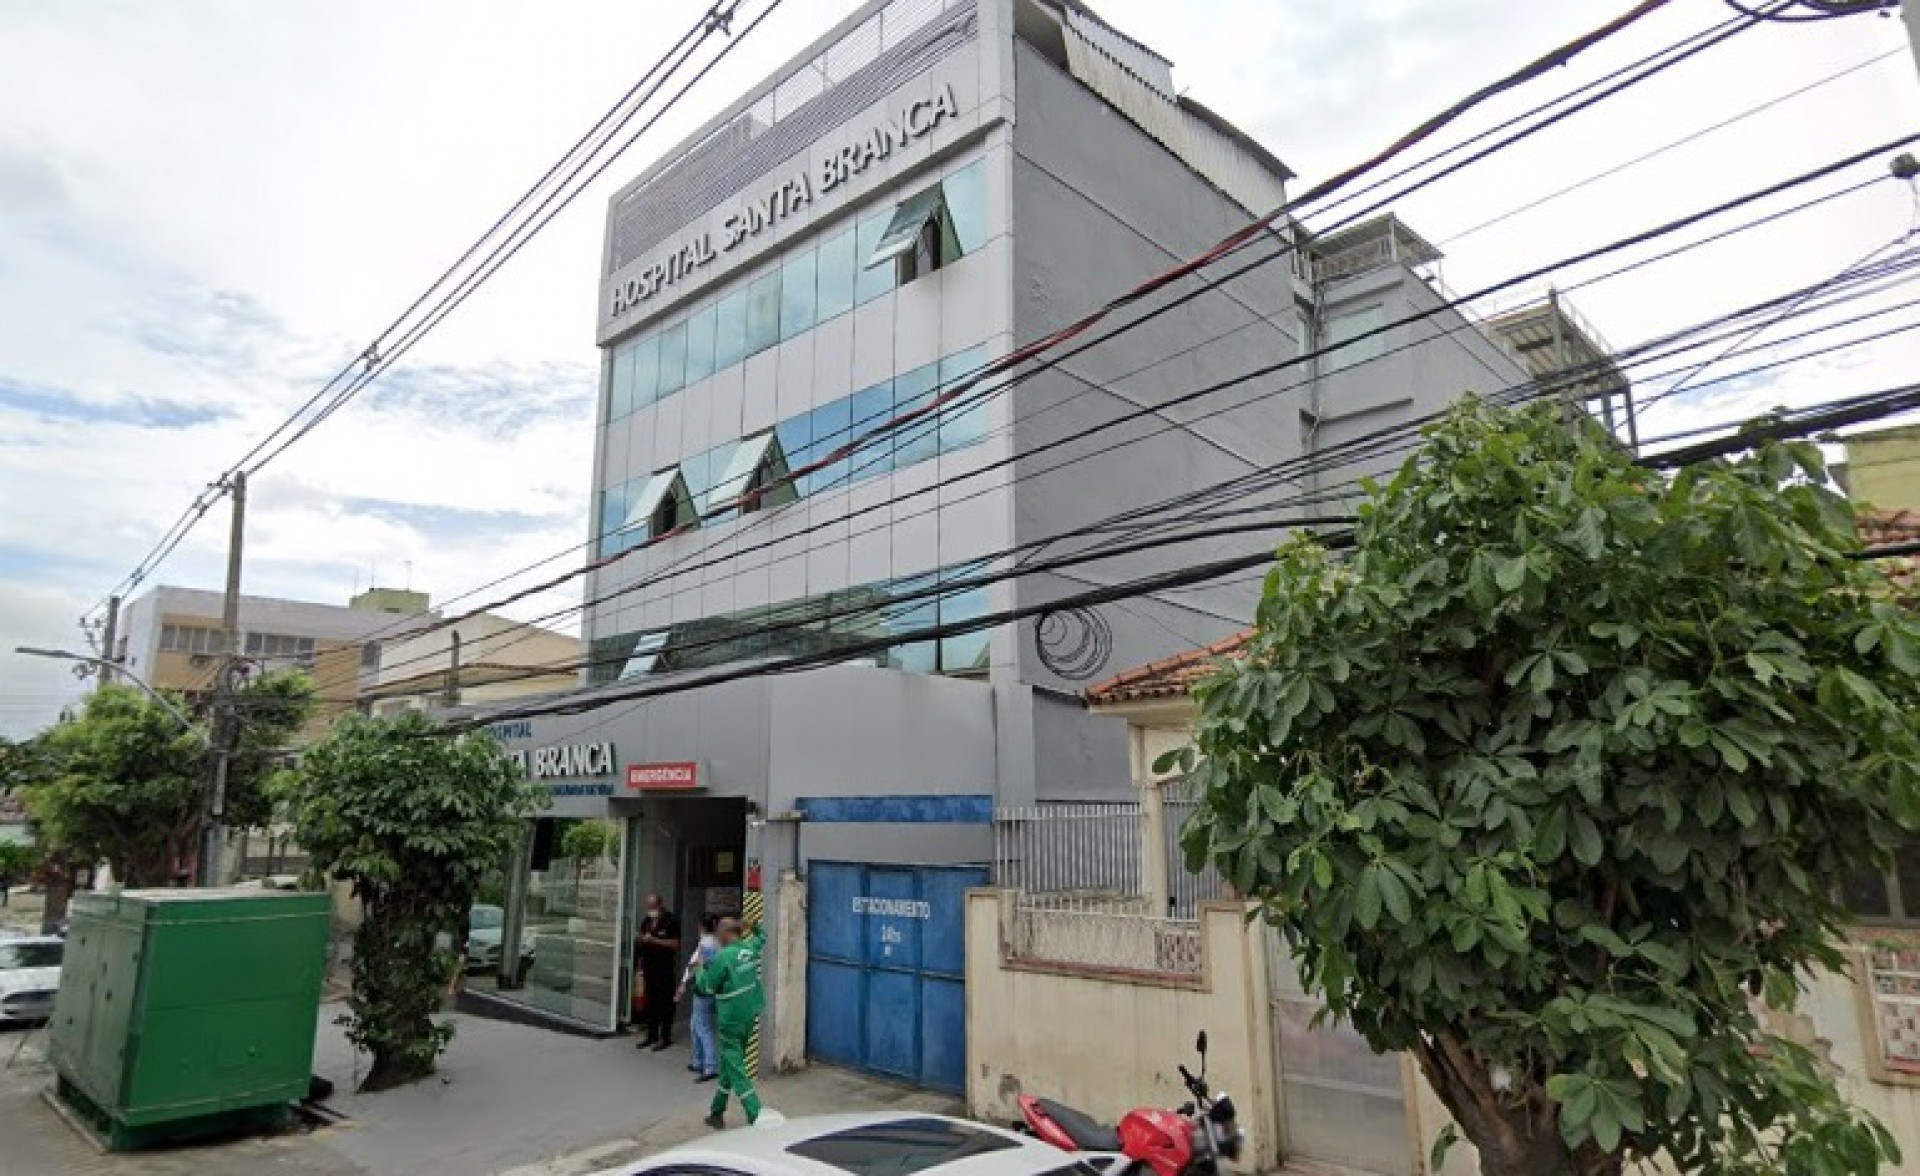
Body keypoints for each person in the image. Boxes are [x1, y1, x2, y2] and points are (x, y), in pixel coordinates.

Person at [695, 915, 765, 1129]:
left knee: (735, 1066)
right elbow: (762, 936)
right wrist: (753, 925)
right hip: (750, 1014)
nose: (718, 939)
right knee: (729, 1063)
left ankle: (756, 1113)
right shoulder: (749, 949)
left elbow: (705, 988)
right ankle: (717, 1112)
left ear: (726, 934)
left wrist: (700, 968)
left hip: (731, 1018)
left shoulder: (722, 957)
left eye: (719, 935)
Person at [635, 895, 682, 1050]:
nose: (651, 910)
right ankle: (651, 1035)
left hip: (664, 969)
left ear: (660, 905)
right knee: (651, 1003)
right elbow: (641, 936)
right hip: (649, 967)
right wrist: (642, 939)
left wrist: (654, 940)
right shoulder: (647, 920)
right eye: (648, 906)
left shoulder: (671, 920)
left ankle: (665, 1037)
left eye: (653, 906)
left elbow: (675, 944)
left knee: (665, 1004)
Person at [677, 914, 720, 1082]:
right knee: (696, 1025)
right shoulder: (716, 942)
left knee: (702, 1028)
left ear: (701, 927)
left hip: (704, 990)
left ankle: (709, 1067)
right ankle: (698, 1061)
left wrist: (682, 983)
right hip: (710, 989)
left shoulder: (706, 944)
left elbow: (694, 965)